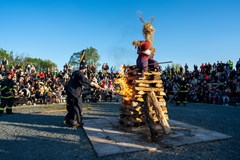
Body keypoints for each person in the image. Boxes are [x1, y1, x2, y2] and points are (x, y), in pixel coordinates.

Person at [64, 50, 101, 128]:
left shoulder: (75, 72)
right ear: (84, 68)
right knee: (78, 107)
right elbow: (84, 81)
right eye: (85, 69)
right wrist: (94, 84)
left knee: (71, 107)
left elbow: (82, 82)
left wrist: (93, 85)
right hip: (75, 94)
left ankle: (68, 120)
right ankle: (77, 122)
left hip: (70, 93)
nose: (86, 70)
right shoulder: (80, 74)